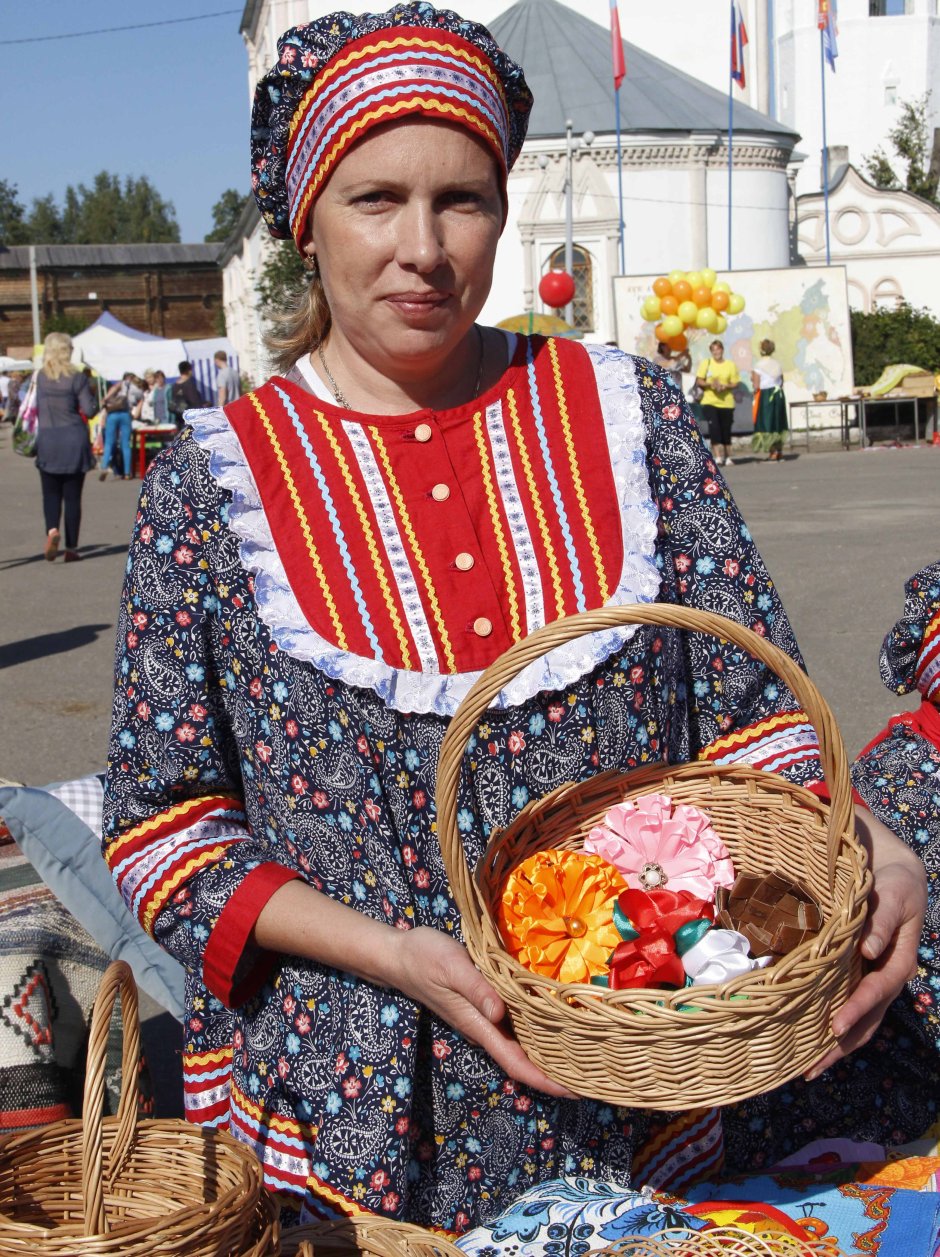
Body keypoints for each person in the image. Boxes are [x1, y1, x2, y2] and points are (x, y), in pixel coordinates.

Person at [102, 5, 933, 1237]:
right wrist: (400, 955)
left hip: (668, 1053)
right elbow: (166, 831)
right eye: (375, 198)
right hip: (375, 1098)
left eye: (465, 200)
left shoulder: (630, 416)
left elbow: (755, 729)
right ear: (303, 219)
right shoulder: (211, 489)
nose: (423, 249)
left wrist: (866, 845)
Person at [34, 331, 97, 561]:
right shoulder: (77, 378)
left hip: (48, 441)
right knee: (72, 497)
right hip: (74, 441)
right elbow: (89, 410)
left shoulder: (40, 377)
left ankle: (52, 531)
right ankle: (71, 548)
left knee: (50, 494)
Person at [695, 338, 740, 466]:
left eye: (718, 349)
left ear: (722, 350)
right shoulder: (707, 363)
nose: (716, 352)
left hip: (726, 402)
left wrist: (726, 386)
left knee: (726, 429)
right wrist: (711, 384)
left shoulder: (730, 365)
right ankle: (718, 456)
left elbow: (735, 382)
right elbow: (699, 380)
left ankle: (728, 456)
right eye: (713, 349)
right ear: (711, 351)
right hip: (710, 401)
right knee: (714, 428)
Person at [99, 371, 141, 479]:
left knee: (109, 442)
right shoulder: (135, 388)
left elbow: (107, 398)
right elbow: (140, 398)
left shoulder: (118, 385)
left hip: (112, 414)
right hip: (125, 414)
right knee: (125, 444)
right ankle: (127, 472)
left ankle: (104, 466)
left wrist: (105, 399)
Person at [751, 338, 788, 461]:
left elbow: (756, 385)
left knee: (767, 422)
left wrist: (754, 393)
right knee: (778, 421)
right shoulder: (777, 364)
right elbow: (782, 381)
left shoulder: (758, 365)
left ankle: (772, 452)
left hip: (766, 395)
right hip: (778, 394)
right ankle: (780, 450)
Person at [169, 360, 206, 424]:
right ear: (188, 370)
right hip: (189, 419)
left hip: (179, 418)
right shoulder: (189, 385)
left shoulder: (175, 385)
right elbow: (195, 403)